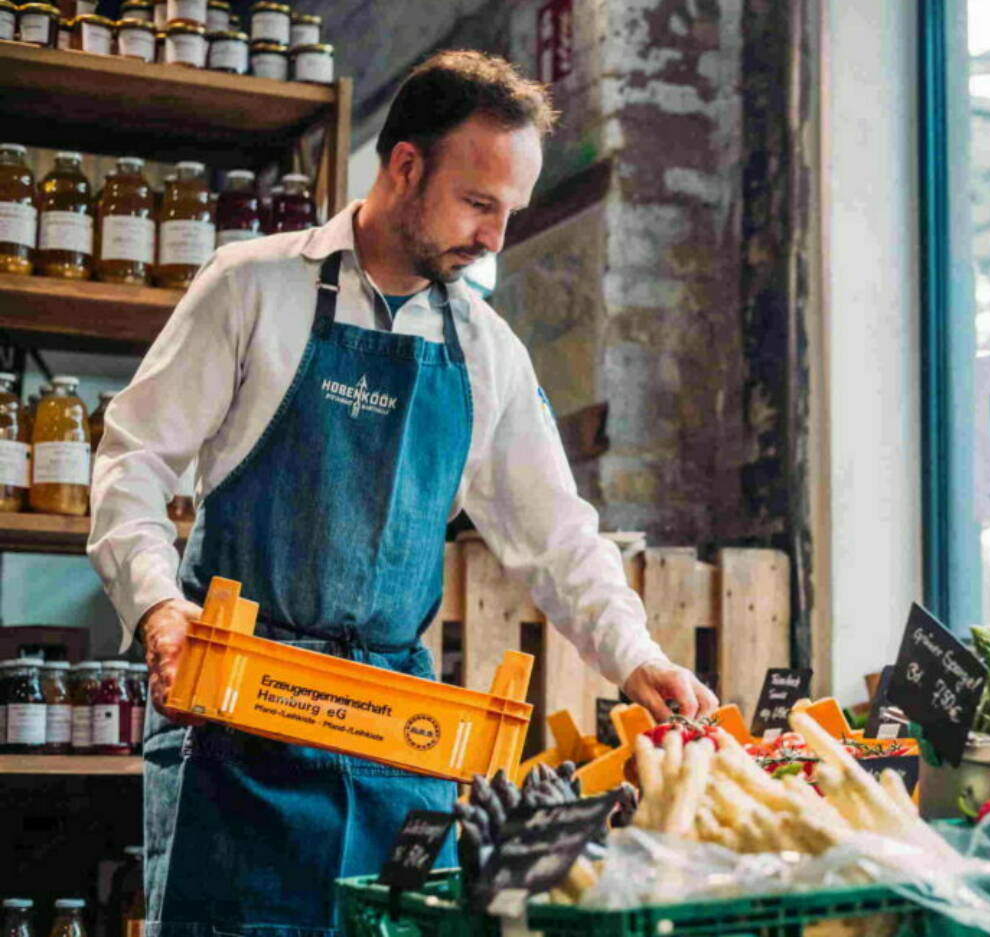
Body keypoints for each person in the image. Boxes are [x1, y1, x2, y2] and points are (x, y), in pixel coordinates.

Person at [87, 50, 716, 937]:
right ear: (406, 166)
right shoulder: (251, 287)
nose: (496, 238)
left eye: (511, 212)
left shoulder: (488, 351)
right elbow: (133, 462)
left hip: (398, 735)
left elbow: (558, 535)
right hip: (236, 720)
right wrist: (157, 606)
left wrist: (636, 653)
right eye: (478, 203)